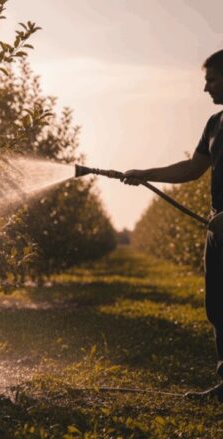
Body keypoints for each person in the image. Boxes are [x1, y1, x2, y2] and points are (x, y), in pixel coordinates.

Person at [122, 49, 223, 401]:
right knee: (217, 305)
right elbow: (192, 169)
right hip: (218, 229)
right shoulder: (214, 125)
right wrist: (145, 174)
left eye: (211, 79)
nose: (206, 89)